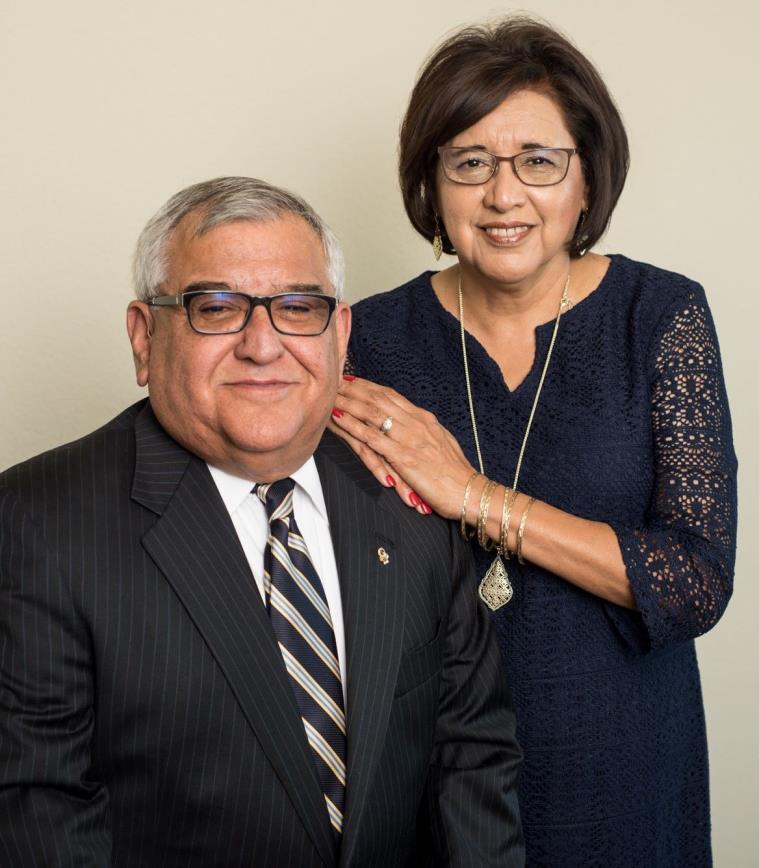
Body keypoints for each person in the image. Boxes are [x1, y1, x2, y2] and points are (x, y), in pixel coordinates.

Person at [0, 177, 524, 867]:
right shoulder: (36, 524)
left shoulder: (405, 493)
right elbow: (41, 816)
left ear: (339, 335)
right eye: (216, 308)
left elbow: (472, 764)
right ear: (144, 338)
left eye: (297, 308)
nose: (262, 344)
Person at [329, 17, 737, 868]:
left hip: (622, 762)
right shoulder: (367, 338)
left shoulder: (660, 316)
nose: (502, 195)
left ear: (586, 179)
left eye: (538, 162)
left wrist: (472, 497)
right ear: (431, 183)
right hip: (432, 772)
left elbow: (693, 582)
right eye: (469, 163)